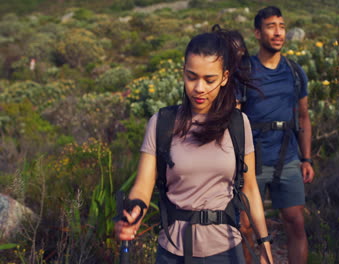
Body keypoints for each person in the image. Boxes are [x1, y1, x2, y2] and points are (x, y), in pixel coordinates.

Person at [114, 31, 273, 263]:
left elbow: (250, 191)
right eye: (191, 77)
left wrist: (264, 244)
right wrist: (136, 209)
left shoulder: (239, 124)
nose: (199, 88)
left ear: (225, 77)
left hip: (226, 251)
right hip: (172, 252)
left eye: (209, 80)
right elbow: (143, 187)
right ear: (183, 72)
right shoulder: (161, 123)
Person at [241, 6, 315, 264]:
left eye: (282, 26)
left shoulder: (295, 72)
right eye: (271, 26)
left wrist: (307, 159)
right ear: (257, 33)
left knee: (295, 222)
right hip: (252, 160)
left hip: (288, 157)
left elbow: (303, 116)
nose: (278, 32)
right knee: (246, 227)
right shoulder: (244, 71)